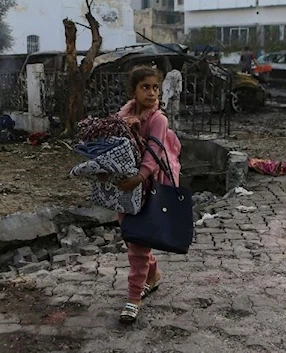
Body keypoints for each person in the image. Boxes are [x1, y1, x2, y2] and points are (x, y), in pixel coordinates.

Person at [114, 66, 182, 324]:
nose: (152, 93)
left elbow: (153, 153)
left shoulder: (158, 120)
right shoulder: (123, 115)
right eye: (145, 87)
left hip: (150, 184)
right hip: (127, 187)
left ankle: (133, 298)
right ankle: (152, 275)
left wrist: (139, 178)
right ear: (134, 91)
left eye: (156, 87)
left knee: (139, 243)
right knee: (132, 237)